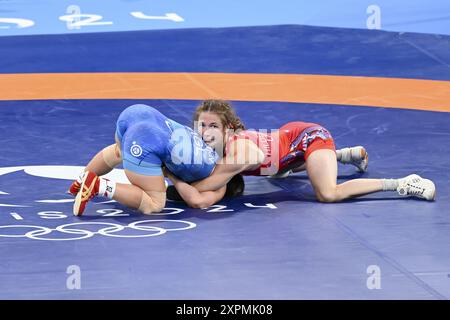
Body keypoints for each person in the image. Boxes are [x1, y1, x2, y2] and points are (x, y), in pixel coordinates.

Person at [168, 100, 435, 205]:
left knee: (328, 193)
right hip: (287, 148)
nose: (206, 132)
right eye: (201, 125)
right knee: (277, 170)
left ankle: (402, 183)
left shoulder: (238, 148)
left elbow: (208, 186)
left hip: (308, 138)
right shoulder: (210, 148)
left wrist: (173, 177)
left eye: (213, 125)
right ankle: (343, 155)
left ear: (229, 129)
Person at [69, 104, 226, 216]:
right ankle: (98, 185)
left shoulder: (204, 141)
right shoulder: (222, 182)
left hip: (138, 112)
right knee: (155, 203)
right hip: (146, 141)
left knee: (119, 151)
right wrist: (172, 176)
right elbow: (196, 201)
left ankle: (81, 179)